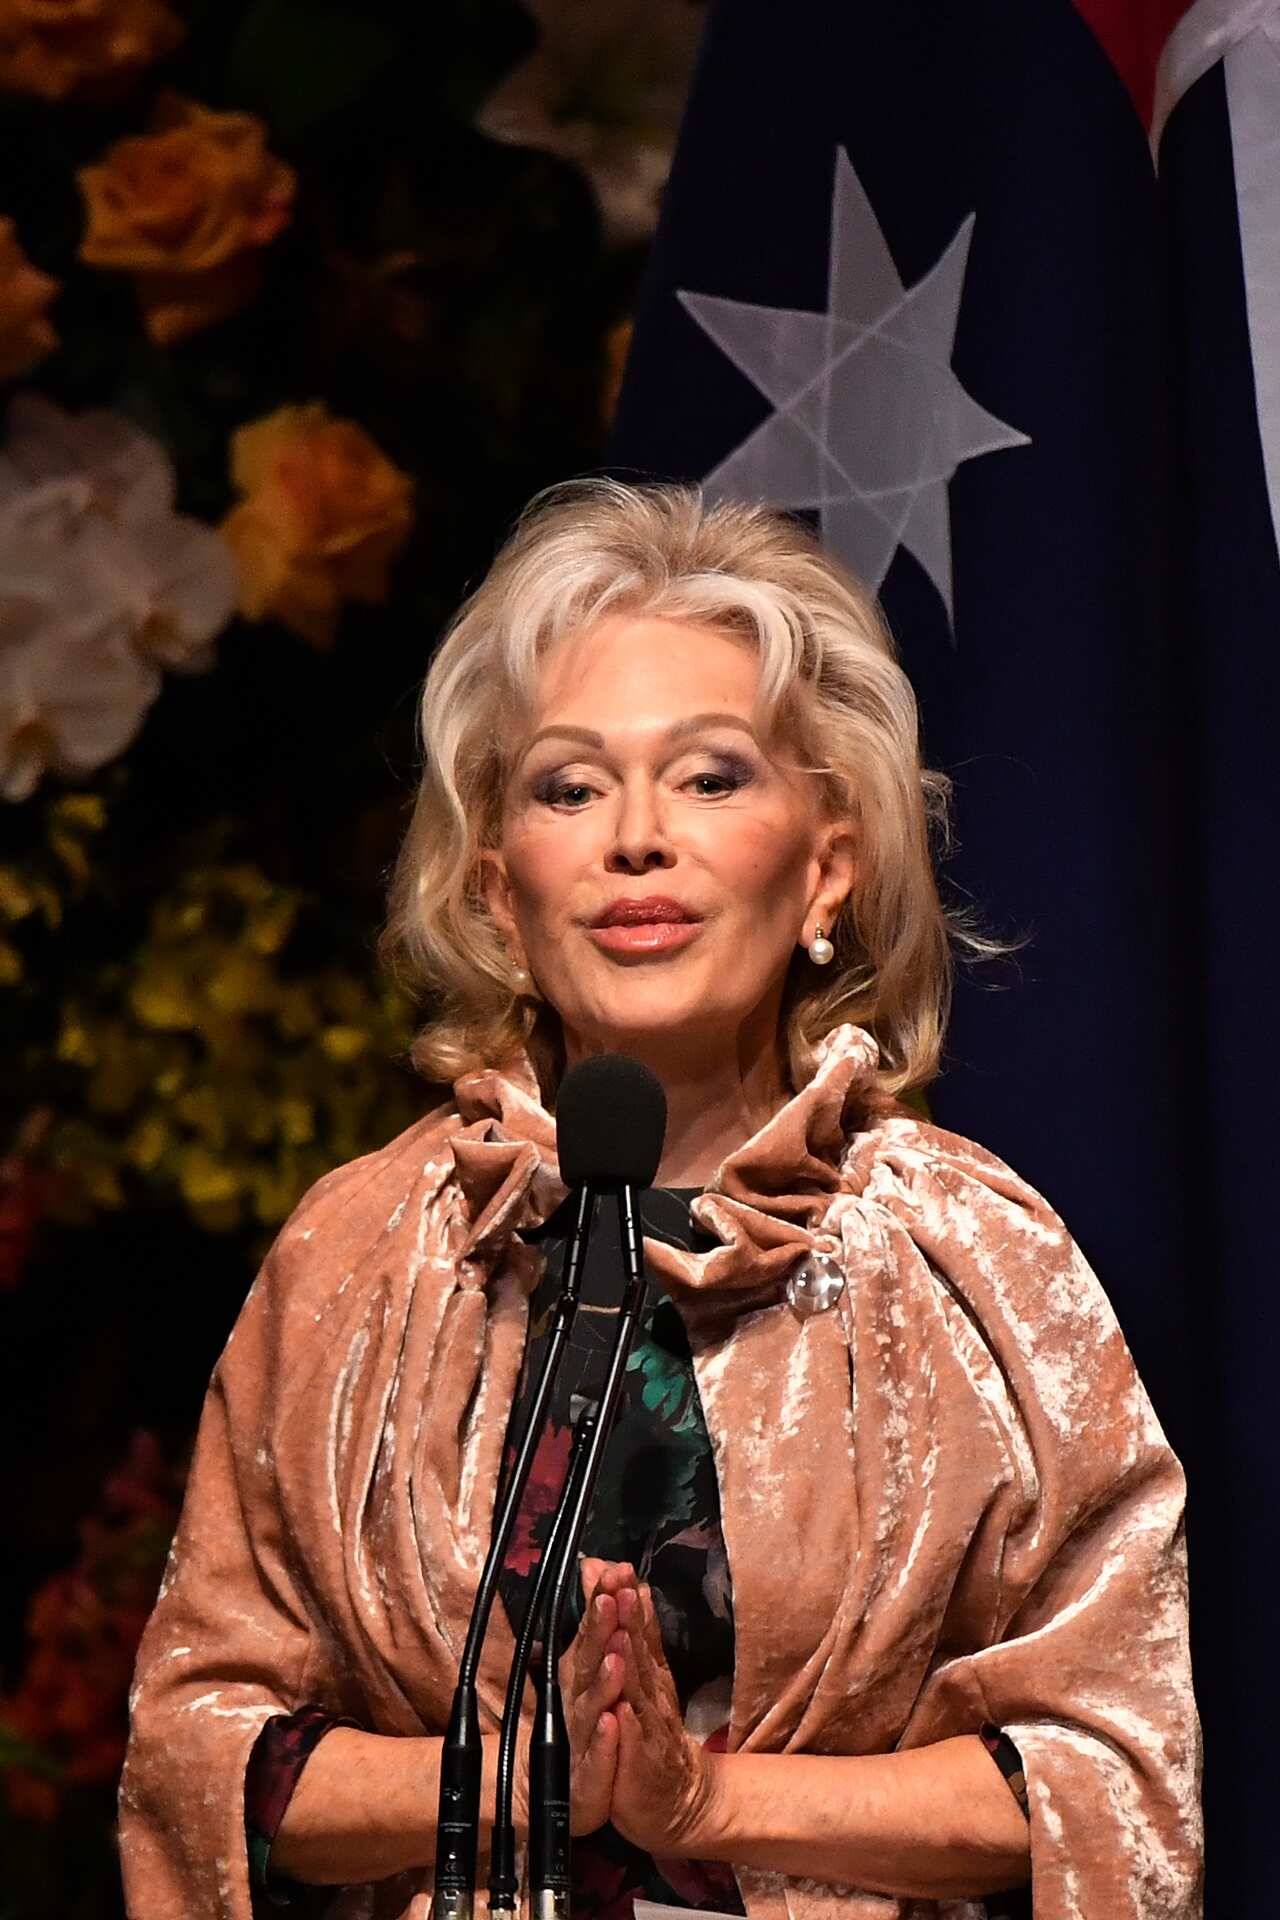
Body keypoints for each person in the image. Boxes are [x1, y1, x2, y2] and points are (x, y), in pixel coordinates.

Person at [118, 481, 1204, 1920]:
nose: (638, 836)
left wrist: (707, 1803)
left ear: (830, 867)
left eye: (710, 777)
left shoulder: (983, 1267)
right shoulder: (360, 1252)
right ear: (500, 894)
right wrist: (512, 1779)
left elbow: (1114, 1776)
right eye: (570, 787)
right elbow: (198, 1754)